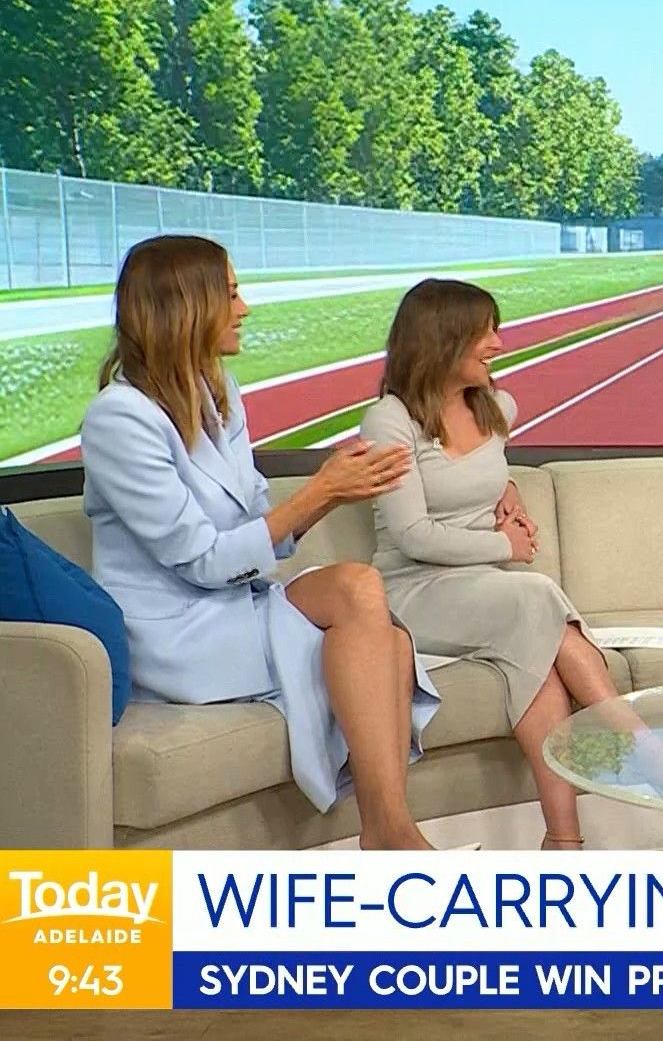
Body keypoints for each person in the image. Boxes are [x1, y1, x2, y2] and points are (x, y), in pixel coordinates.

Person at [80, 235, 461, 850]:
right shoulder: (118, 419)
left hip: (238, 602)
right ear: (189, 307)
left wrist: (330, 495)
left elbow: (259, 522)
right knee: (368, 611)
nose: (245, 308)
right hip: (176, 632)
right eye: (231, 294)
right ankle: (391, 834)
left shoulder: (220, 395)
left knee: (376, 618)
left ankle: (387, 831)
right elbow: (203, 560)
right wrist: (318, 494)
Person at [360, 279, 663, 851]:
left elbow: (476, 479)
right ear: (443, 339)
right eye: (485, 333)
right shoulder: (389, 421)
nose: (498, 344)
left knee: (538, 656)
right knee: (537, 594)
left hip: (483, 589)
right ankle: (642, 746)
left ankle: (563, 841)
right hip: (413, 590)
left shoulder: (497, 408)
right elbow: (414, 536)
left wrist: (507, 490)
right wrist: (506, 548)